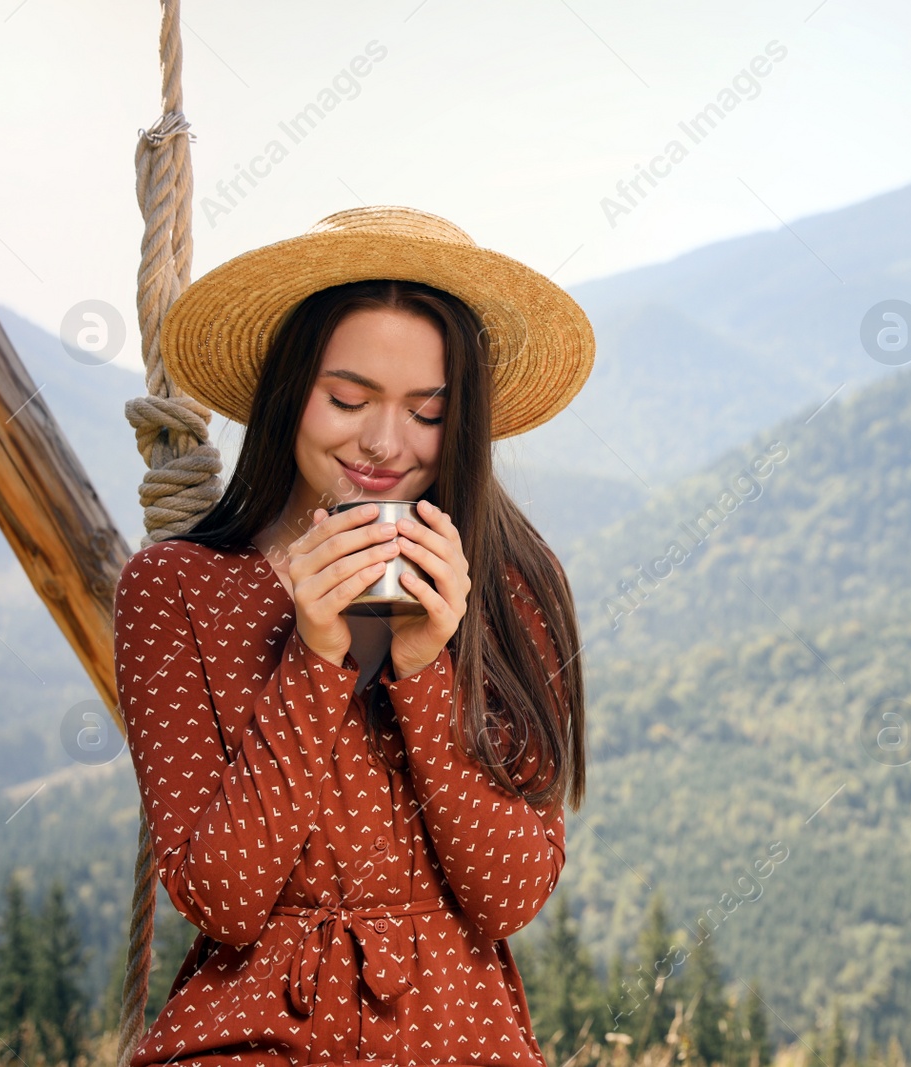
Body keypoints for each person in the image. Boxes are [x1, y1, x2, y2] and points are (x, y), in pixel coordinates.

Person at [112, 207, 594, 1067]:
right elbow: (222, 896)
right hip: (250, 1033)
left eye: (428, 411)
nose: (383, 442)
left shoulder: (512, 585)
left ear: (466, 420)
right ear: (290, 391)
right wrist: (315, 656)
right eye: (347, 398)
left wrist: (421, 667)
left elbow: (510, 893)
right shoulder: (177, 588)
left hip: (458, 1035)